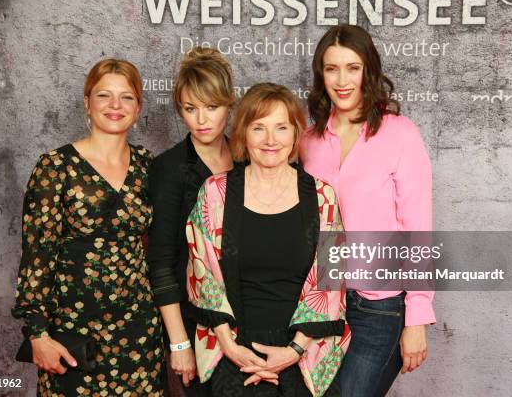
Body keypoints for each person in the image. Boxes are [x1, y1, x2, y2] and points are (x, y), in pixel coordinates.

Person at [185, 83, 350, 397]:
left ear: (295, 134)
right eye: (259, 128)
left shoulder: (322, 196)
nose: (271, 140)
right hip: (234, 348)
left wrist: (294, 350)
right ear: (244, 133)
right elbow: (202, 272)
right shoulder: (215, 192)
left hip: (303, 351)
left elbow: (331, 279)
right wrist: (229, 345)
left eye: (281, 128)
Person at [12, 59, 165, 396]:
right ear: (87, 102)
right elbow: (37, 256)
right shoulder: (56, 166)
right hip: (72, 336)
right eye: (104, 95)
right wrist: (38, 335)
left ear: (138, 106)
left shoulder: (148, 166)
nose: (115, 106)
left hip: (139, 335)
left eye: (126, 97)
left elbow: (161, 249)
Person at [299, 24, 436, 396]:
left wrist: (417, 318)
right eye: (331, 68)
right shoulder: (306, 142)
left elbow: (418, 229)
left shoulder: (400, 134)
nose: (342, 80)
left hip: (379, 307)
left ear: (368, 71)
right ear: (320, 74)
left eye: (352, 67)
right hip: (323, 302)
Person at [147, 47, 234, 396]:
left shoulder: (249, 157)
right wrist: (179, 343)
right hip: (195, 324)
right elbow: (162, 262)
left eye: (211, 107)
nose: (202, 119)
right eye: (190, 108)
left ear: (229, 104)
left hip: (250, 319)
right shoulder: (169, 169)